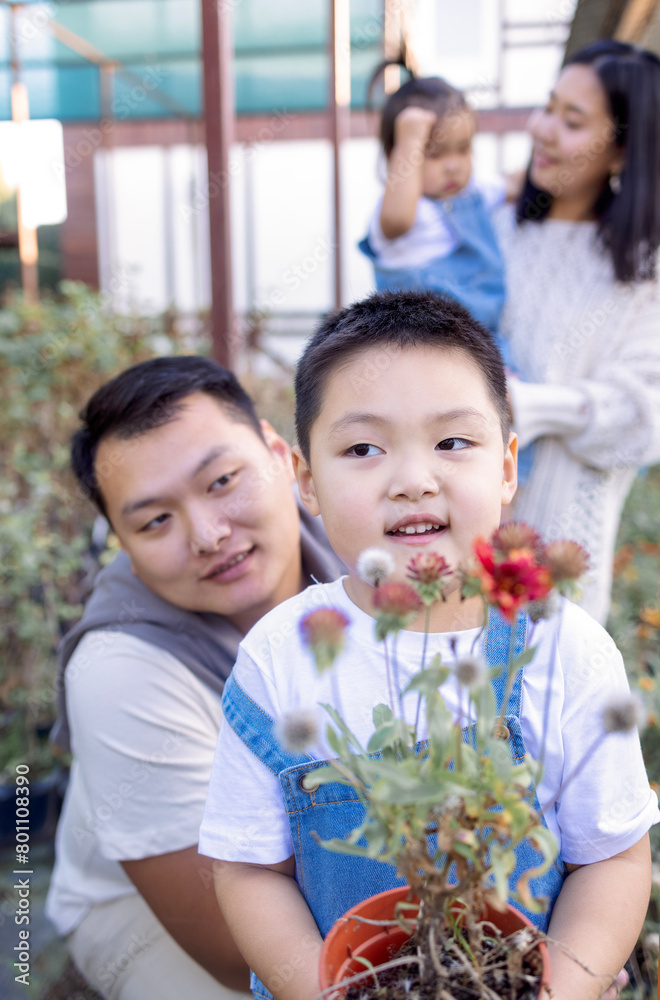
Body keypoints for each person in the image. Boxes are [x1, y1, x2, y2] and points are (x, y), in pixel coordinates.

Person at [200, 291, 658, 1000]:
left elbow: (613, 861)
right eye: (363, 449)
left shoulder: (567, 650)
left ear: (507, 468)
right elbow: (248, 870)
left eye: (452, 443)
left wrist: (562, 988)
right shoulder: (279, 656)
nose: (414, 481)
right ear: (307, 480)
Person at [45, 356, 345, 1000]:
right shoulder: (118, 672)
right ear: (124, 546)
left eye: (222, 481)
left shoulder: (358, 535)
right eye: (155, 521)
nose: (209, 536)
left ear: (279, 455)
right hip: (149, 907)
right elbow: (229, 951)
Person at [498, 40, 660, 624]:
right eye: (548, 107)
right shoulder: (493, 229)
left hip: (563, 569)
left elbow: (644, 416)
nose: (542, 130)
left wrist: (528, 406)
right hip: (454, 550)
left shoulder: (645, 270)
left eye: (571, 121)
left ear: (621, 150)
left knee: (542, 680)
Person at [358, 70, 510, 354]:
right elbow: (396, 220)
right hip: (421, 349)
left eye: (463, 149)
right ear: (396, 157)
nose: (452, 166)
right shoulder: (403, 210)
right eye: (434, 154)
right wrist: (410, 141)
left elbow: (512, 184)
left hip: (485, 344)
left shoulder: (474, 194)